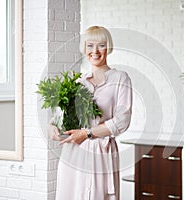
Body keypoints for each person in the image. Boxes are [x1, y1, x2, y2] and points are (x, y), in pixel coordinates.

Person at [48, 26, 133, 200]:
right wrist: (51, 125)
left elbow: (122, 120)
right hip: (73, 151)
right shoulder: (77, 81)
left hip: (101, 151)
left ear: (108, 48)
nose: (95, 51)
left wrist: (87, 133)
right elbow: (60, 115)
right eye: (90, 45)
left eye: (101, 45)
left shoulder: (120, 78)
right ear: (84, 48)